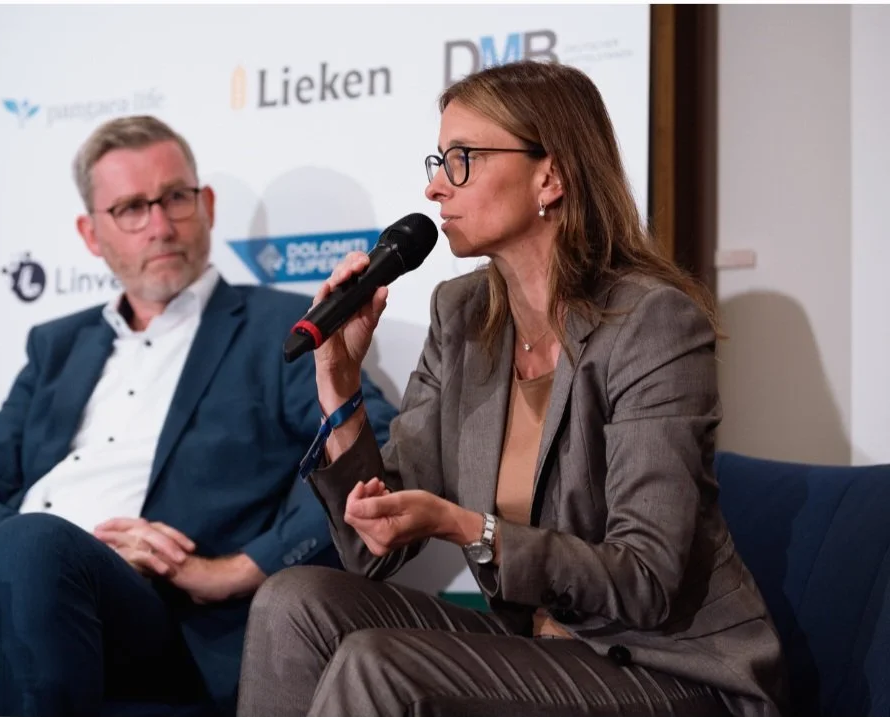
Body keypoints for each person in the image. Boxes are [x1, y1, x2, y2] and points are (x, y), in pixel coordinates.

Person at [237, 60, 789, 717]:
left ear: (549, 177)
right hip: (539, 650)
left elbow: (646, 581)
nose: (435, 186)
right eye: (438, 160)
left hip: (669, 670)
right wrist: (340, 385)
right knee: (293, 600)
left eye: (462, 159)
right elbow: (370, 552)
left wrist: (467, 526)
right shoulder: (462, 316)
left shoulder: (652, 323)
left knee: (378, 663)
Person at [0, 115, 398, 717]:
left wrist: (240, 569)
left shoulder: (284, 329)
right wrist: (29, 554)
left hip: (149, 616)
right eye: (132, 209)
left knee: (34, 542)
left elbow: (376, 448)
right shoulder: (58, 346)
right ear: (92, 234)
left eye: (175, 198)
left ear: (208, 205)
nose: (162, 225)